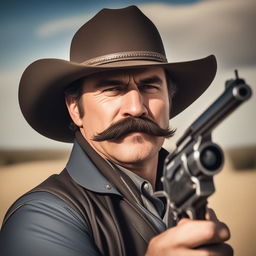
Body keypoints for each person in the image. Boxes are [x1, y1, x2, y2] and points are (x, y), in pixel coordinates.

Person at [0, 5, 233, 256]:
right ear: (75, 109)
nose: (135, 108)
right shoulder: (39, 218)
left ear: (170, 98)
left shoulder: (175, 200)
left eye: (150, 86)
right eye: (112, 89)